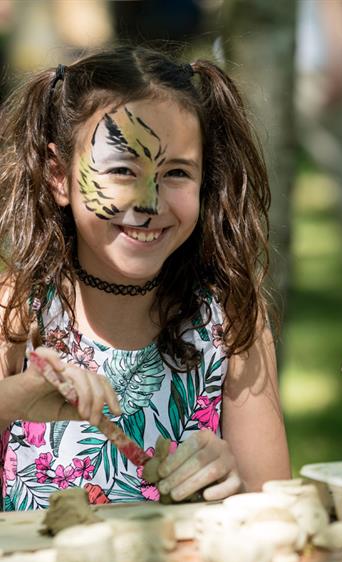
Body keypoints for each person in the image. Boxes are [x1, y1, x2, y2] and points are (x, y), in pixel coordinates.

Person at [0, 46, 291, 510]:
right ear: (59, 177)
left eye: (176, 172)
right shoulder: (15, 312)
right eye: (121, 171)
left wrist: (231, 482)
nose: (149, 201)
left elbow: (276, 513)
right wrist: (14, 400)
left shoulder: (230, 323)